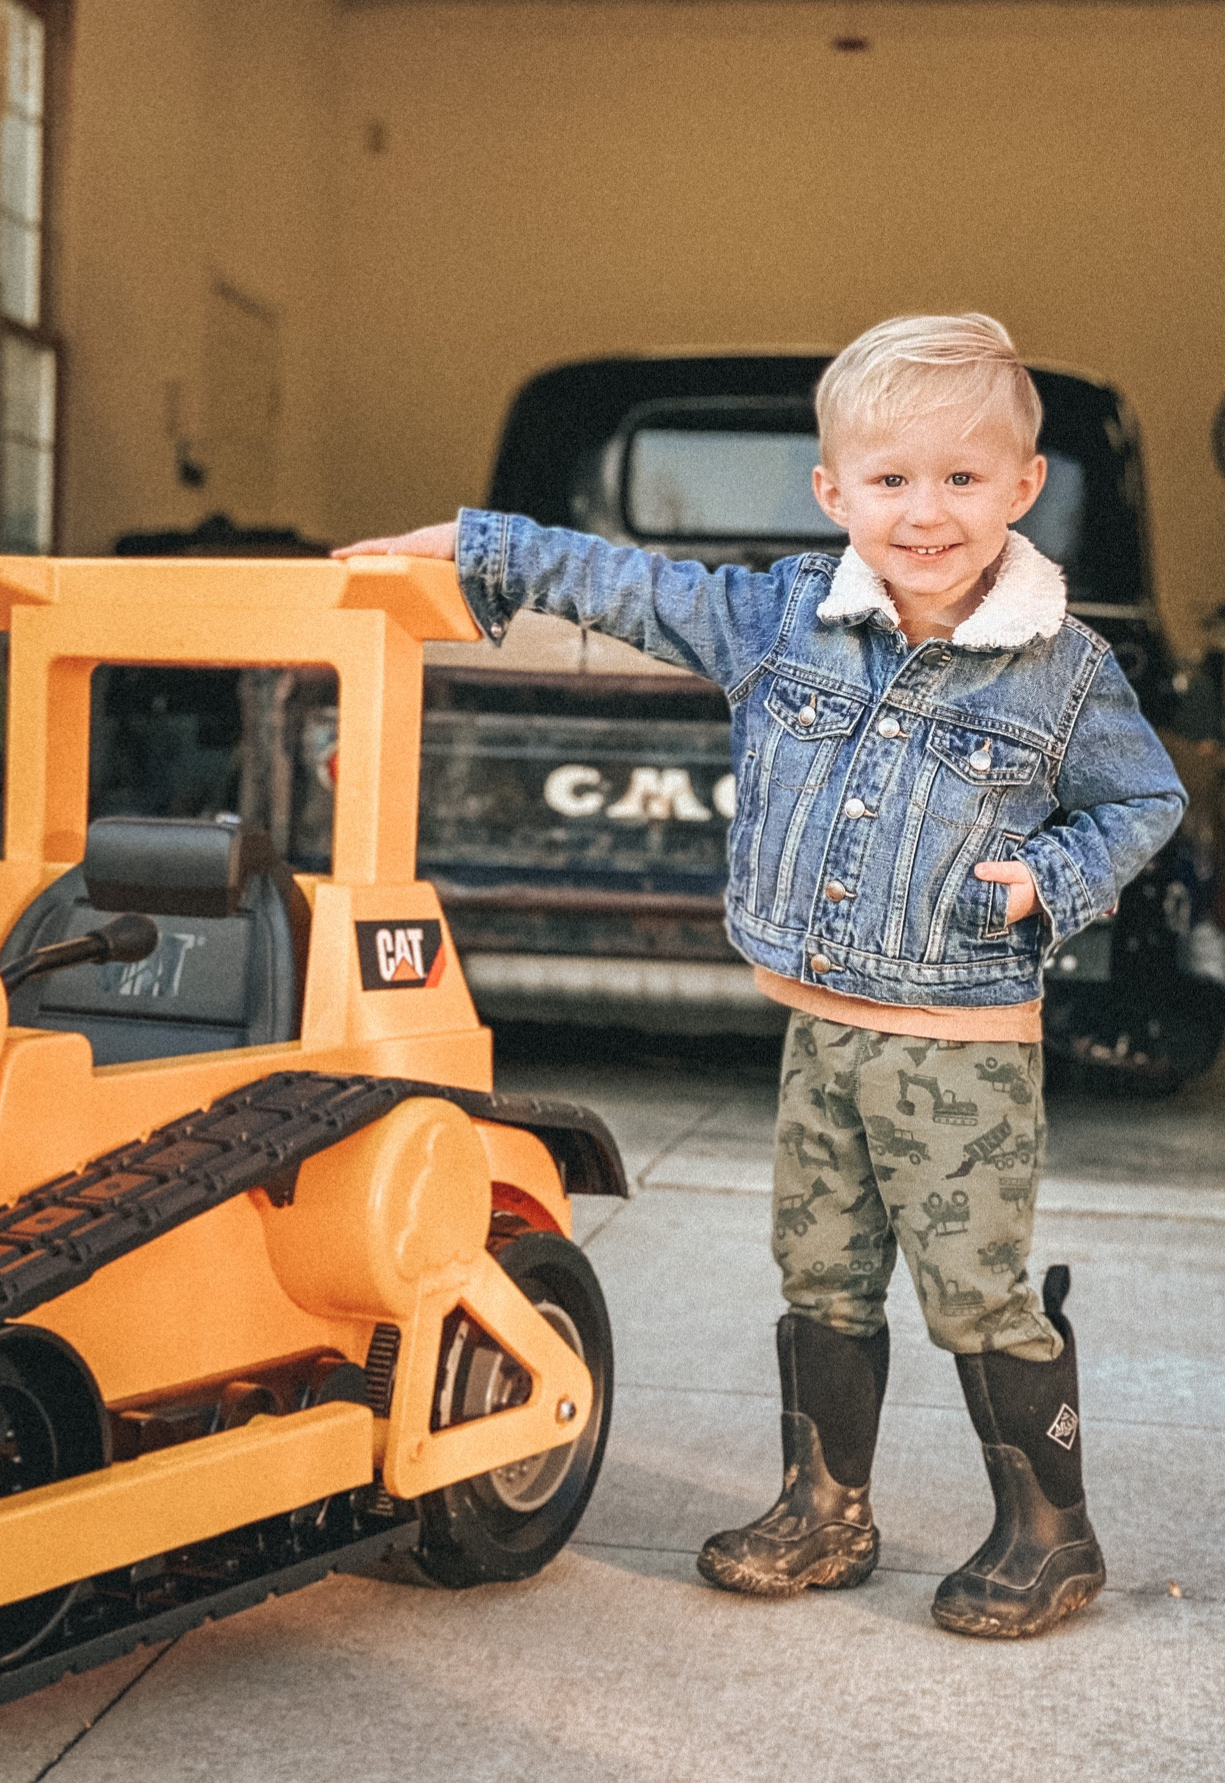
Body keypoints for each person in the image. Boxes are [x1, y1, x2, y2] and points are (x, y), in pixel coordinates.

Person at [334, 314, 1187, 1639]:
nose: (925, 512)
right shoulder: (778, 613)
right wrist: (481, 544)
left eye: (963, 480)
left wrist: (1053, 880)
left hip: (960, 1036)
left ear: (1023, 489)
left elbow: (1145, 800)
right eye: (892, 481)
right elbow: (629, 585)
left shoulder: (1064, 673)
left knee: (975, 1287)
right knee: (820, 1272)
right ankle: (824, 1510)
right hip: (819, 1029)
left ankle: (1048, 1534)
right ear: (834, 492)